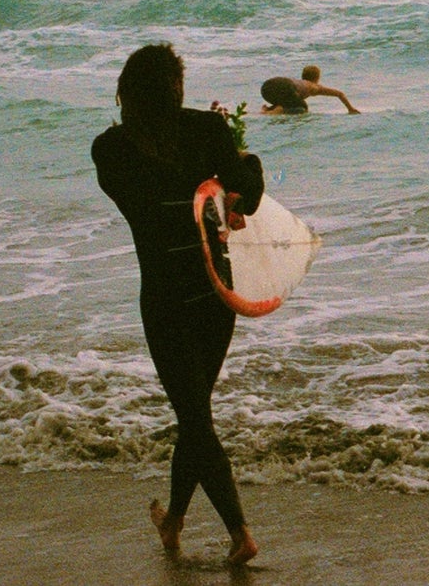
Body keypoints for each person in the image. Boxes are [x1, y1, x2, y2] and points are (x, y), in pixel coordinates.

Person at [92, 43, 263, 566]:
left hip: (164, 294)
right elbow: (249, 190)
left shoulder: (110, 150)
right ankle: (174, 524)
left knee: (194, 415)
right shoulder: (209, 132)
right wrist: (239, 178)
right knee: (196, 413)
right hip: (215, 292)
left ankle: (240, 534)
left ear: (126, 92)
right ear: (177, 87)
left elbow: (139, 199)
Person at [259, 65, 360, 114]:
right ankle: (276, 111)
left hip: (267, 87)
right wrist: (350, 109)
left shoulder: (301, 83)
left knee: (290, 101)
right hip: (286, 85)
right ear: (317, 78)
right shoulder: (314, 86)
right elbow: (340, 94)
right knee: (303, 108)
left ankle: (268, 109)